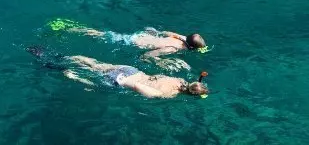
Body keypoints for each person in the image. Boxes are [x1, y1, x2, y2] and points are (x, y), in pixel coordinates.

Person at [27, 47, 209, 99]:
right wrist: (122, 82)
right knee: (92, 84)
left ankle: (64, 56)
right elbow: (137, 87)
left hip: (131, 70)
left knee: (94, 64)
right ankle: (67, 73)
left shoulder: (178, 79)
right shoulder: (169, 94)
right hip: (123, 79)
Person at [68, 26, 207, 71]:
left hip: (143, 36)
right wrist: (159, 62)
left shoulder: (179, 37)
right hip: (133, 43)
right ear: (191, 48)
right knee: (102, 36)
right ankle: (73, 29)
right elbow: (146, 55)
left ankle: (77, 30)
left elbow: (165, 32)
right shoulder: (173, 49)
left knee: (104, 36)